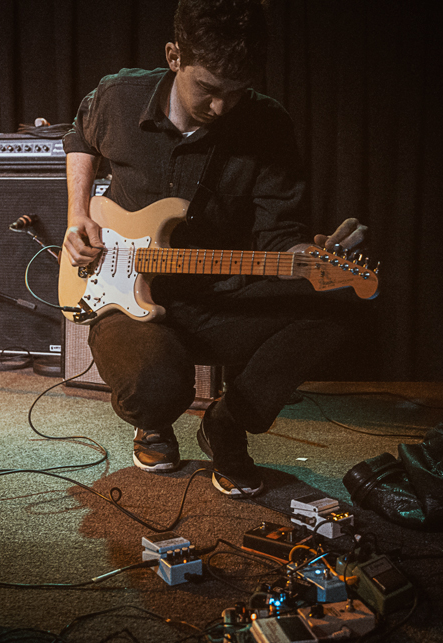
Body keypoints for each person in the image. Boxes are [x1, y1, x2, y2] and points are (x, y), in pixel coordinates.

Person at [61, 0, 367, 497]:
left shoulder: (267, 123)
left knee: (341, 306)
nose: (222, 107)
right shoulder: (119, 96)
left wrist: (308, 256)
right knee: (155, 391)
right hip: (122, 290)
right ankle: (155, 421)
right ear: (174, 56)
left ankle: (227, 423)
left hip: (222, 295)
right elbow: (79, 138)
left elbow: (276, 232)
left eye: (237, 91)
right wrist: (78, 215)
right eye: (208, 88)